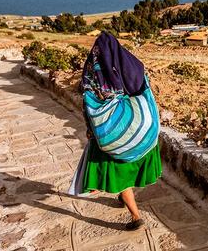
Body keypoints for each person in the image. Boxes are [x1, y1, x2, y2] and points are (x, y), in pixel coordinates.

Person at [68, 32, 162, 230]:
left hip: (114, 134)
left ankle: (136, 217)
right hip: (139, 131)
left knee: (119, 173)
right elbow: (144, 88)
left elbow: (89, 104)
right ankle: (123, 196)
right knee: (129, 170)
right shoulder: (132, 65)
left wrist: (89, 129)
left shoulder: (95, 74)